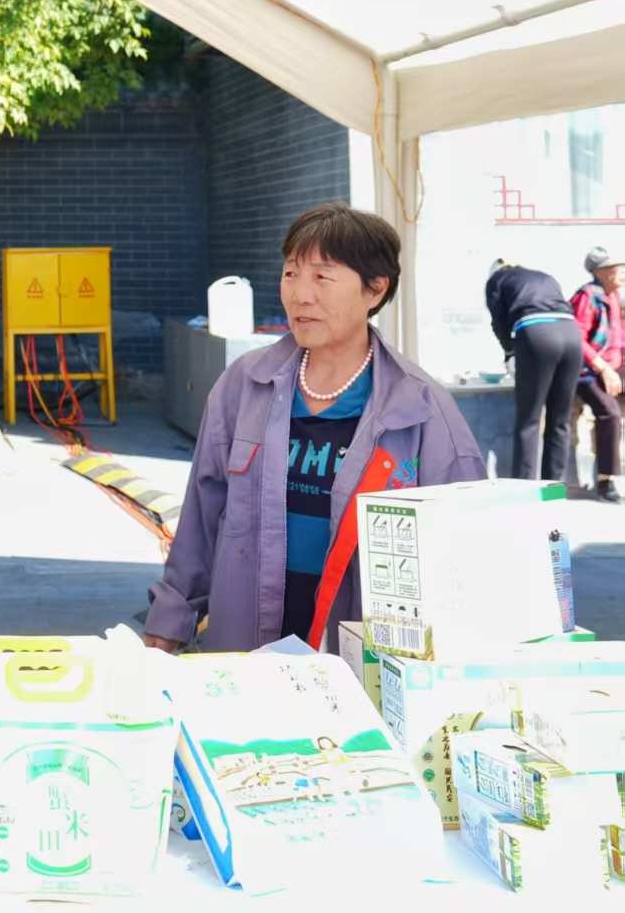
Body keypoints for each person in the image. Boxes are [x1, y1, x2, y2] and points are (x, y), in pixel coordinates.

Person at [144, 203, 485, 655]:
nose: (301, 294)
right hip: (244, 647)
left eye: (322, 277)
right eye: (291, 274)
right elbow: (202, 519)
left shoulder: (420, 409)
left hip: (362, 658)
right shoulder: (243, 385)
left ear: (375, 289)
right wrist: (171, 619)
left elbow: (465, 548)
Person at [485, 260, 581, 482]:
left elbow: (498, 323)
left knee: (529, 420)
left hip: (537, 333)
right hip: (571, 333)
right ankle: (554, 488)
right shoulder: (544, 276)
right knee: (560, 421)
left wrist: (510, 351)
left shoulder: (496, 280)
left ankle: (524, 488)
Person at [570, 247, 625, 503]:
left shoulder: (615, 297)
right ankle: (606, 481)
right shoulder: (587, 296)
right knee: (610, 413)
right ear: (600, 272)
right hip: (588, 370)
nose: (620, 272)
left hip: (615, 366)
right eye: (614, 268)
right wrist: (604, 368)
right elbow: (577, 339)